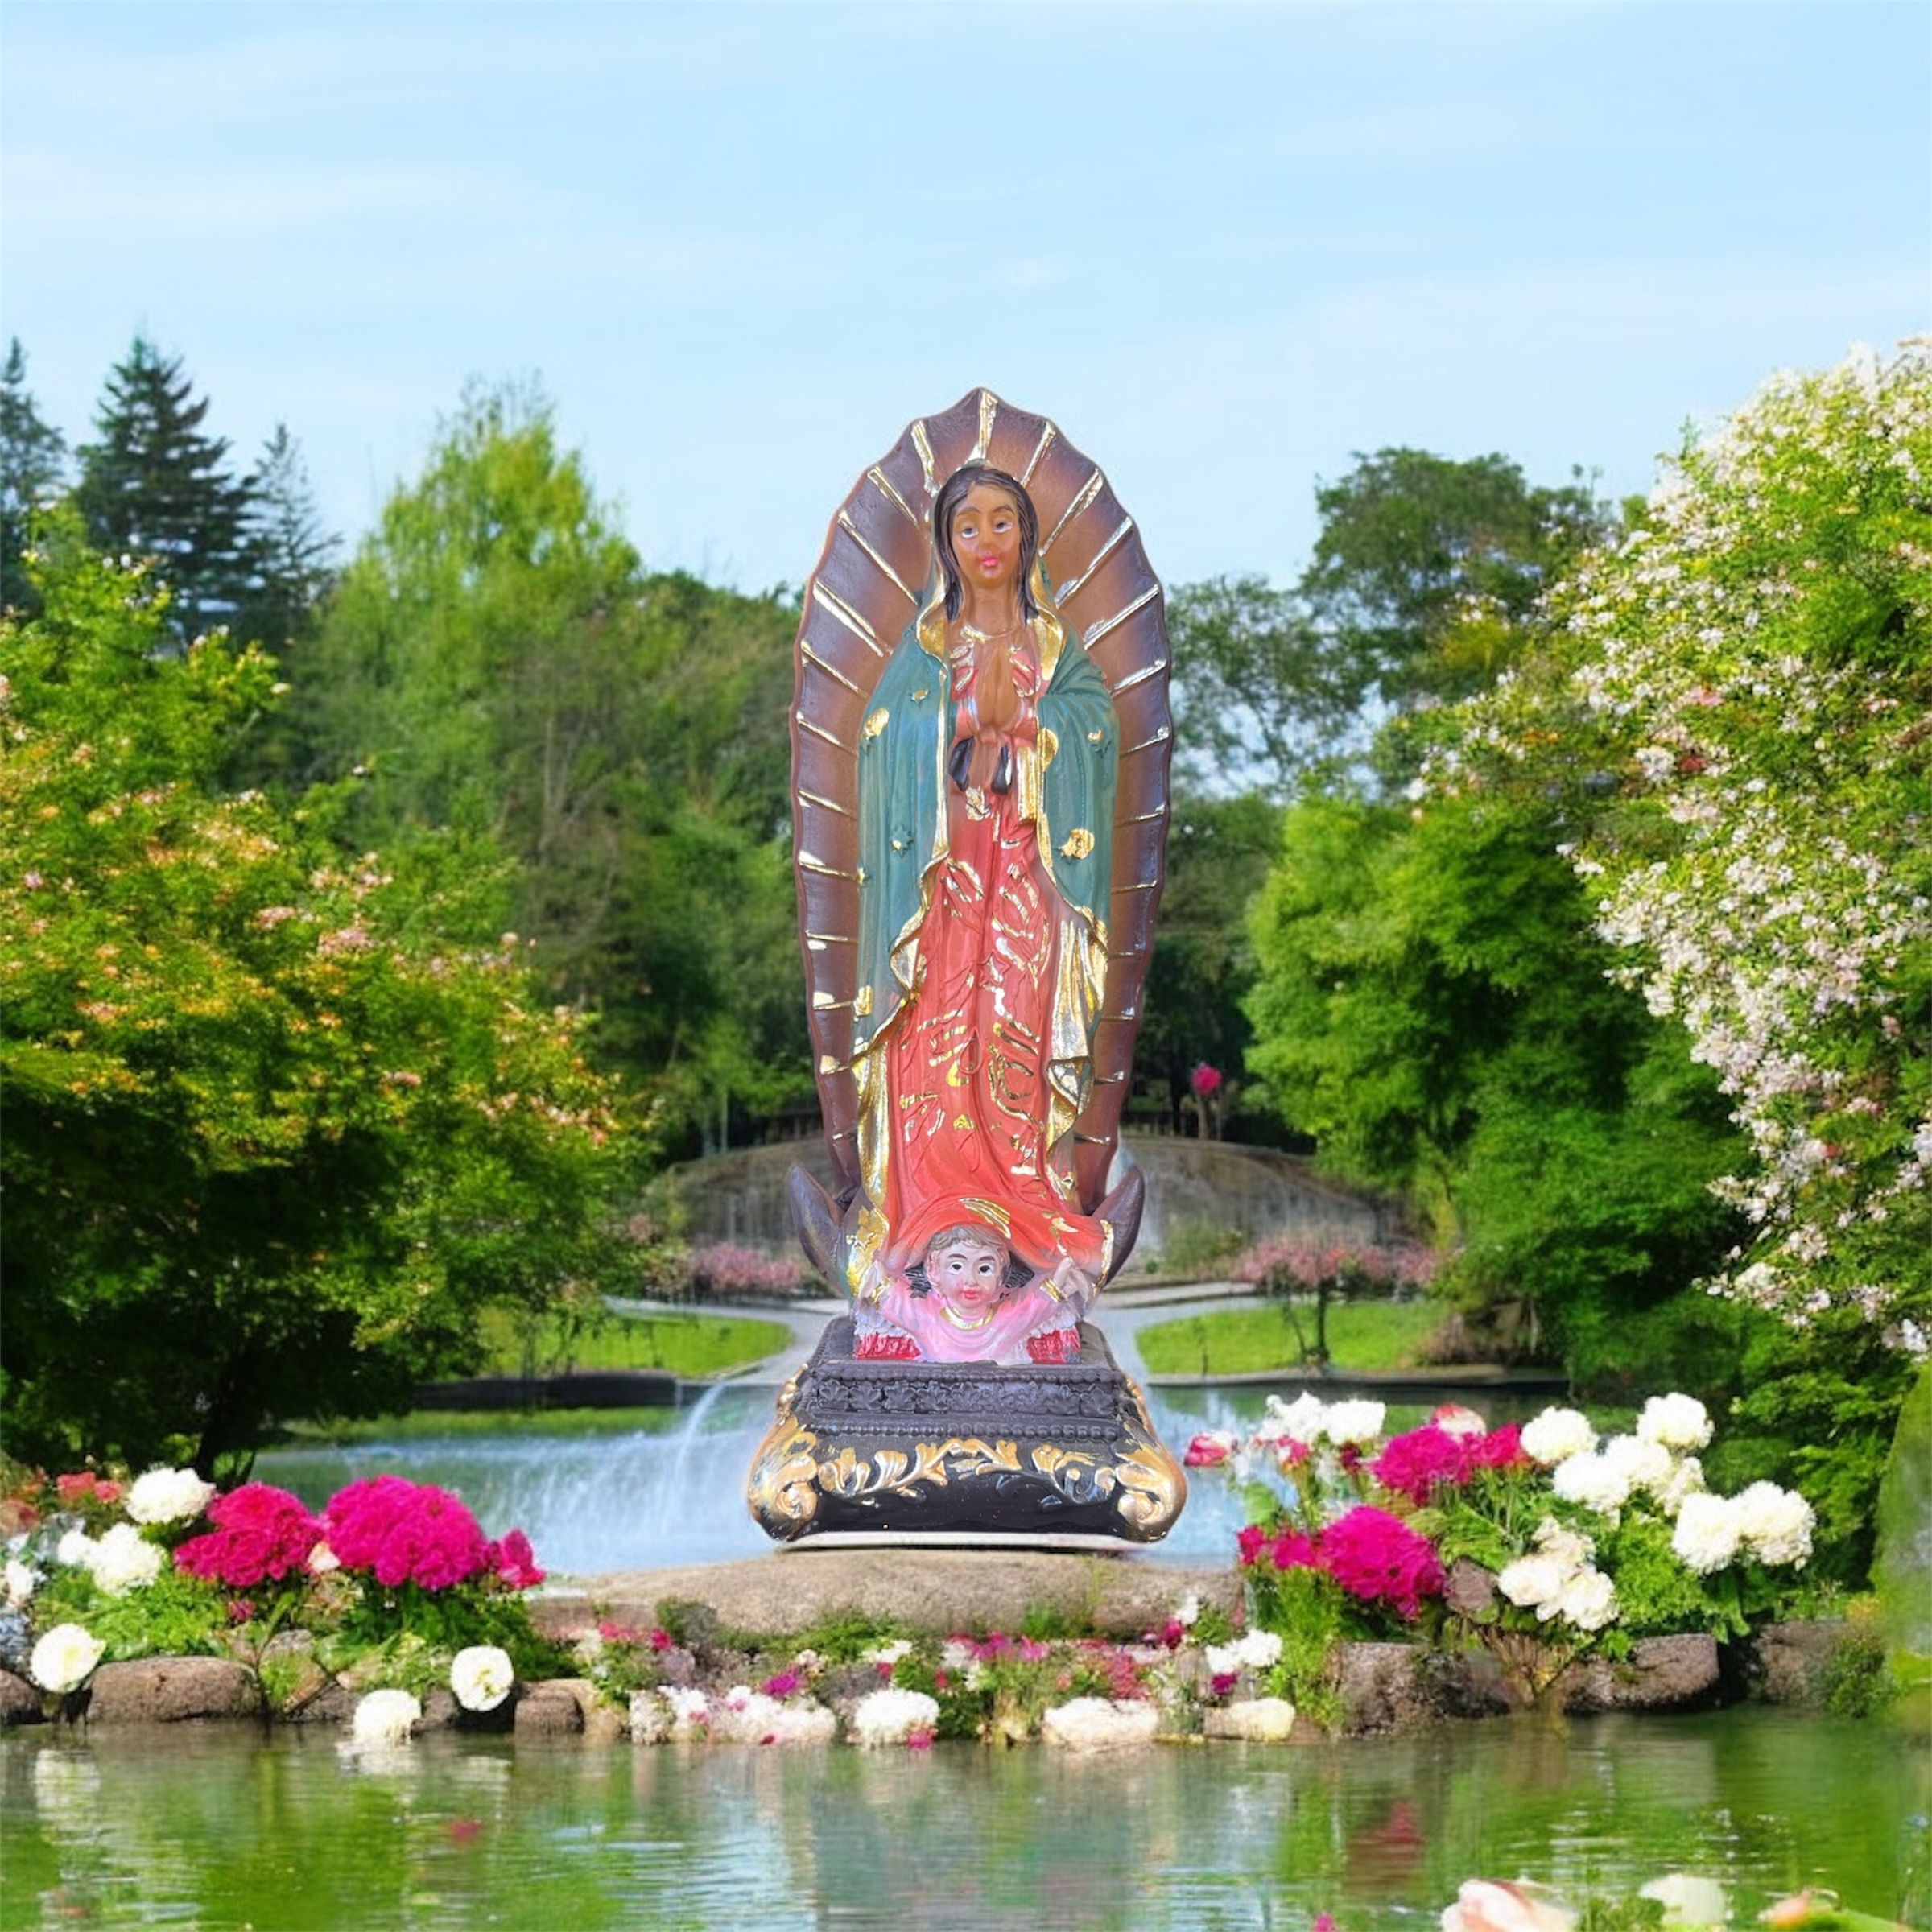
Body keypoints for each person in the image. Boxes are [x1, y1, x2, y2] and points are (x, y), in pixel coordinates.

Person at [844, 463, 1120, 1345]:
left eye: (1005, 524)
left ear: (1028, 539)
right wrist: (949, 742)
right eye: (971, 527)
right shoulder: (926, 651)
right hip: (941, 889)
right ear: (946, 544)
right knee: (931, 1039)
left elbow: (1095, 730)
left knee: (1015, 1037)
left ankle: (1024, 1223)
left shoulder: (1055, 650)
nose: (989, 542)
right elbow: (882, 740)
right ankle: (923, 1227)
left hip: (1027, 885)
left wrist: (1031, 748)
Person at [852, 1216, 1091, 1365]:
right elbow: (894, 1302)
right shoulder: (927, 1318)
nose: (971, 1280)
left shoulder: (1006, 1320)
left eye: (985, 1268)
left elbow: (1036, 1306)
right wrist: (871, 1278)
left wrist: (1059, 1284)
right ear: (934, 1270)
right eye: (956, 1266)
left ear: (1001, 1275)